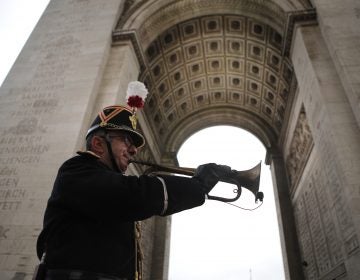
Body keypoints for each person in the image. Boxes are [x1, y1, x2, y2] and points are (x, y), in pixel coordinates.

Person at [36, 104, 230, 280]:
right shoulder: (75, 170)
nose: (134, 150)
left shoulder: (107, 179)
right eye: (127, 140)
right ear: (98, 143)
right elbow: (132, 195)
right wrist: (196, 186)